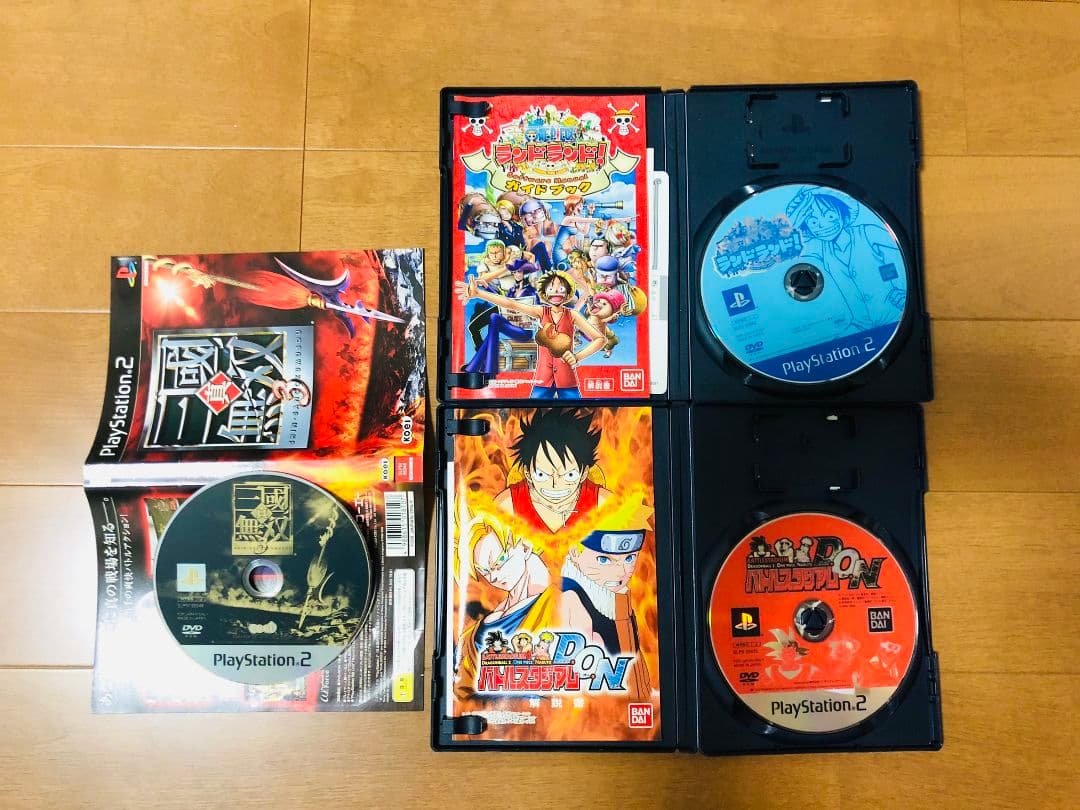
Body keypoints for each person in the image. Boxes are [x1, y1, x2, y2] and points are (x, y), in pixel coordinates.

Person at [455, 270, 605, 398]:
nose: (556, 292)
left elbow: (600, 339)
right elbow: (511, 304)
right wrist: (479, 293)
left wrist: (577, 357)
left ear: (568, 293)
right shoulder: (541, 311)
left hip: (567, 379)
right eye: (551, 288)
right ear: (544, 293)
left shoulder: (572, 315)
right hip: (543, 379)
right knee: (533, 414)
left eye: (561, 288)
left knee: (576, 413)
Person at [454, 517, 555, 699]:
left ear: (525, 546)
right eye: (485, 571)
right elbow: (462, 690)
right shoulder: (477, 628)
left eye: (498, 562)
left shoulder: (562, 603)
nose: (493, 577)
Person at [786, 188, 905, 330]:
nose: (823, 225)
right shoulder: (820, 248)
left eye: (830, 216)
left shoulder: (868, 232)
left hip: (895, 316)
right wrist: (795, 219)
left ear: (842, 212)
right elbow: (787, 243)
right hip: (860, 328)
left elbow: (905, 255)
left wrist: (902, 291)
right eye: (812, 222)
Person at [560, 528, 652, 700]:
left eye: (629, 558)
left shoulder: (615, 598)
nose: (621, 572)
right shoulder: (570, 599)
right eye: (604, 560)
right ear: (574, 551)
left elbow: (633, 664)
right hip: (597, 707)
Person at [493, 408, 611, 534]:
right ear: (527, 473)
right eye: (541, 475)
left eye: (569, 475)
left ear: (584, 473)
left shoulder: (604, 503)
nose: (555, 484)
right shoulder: (507, 504)